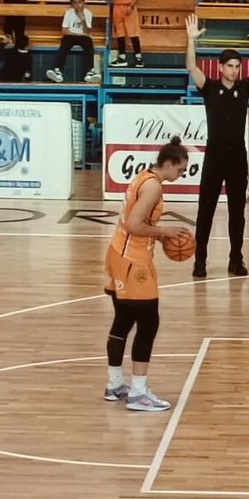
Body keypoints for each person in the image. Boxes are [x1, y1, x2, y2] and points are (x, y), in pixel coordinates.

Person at [102, 136, 192, 412]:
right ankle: (138, 392)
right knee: (148, 323)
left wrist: (159, 234)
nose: (181, 174)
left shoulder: (144, 177)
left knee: (123, 321)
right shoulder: (153, 187)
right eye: (180, 169)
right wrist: (164, 232)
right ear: (168, 163)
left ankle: (115, 384)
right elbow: (134, 224)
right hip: (133, 261)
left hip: (118, 254)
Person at [185, 15, 249, 278]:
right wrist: (191, 40)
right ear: (220, 67)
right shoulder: (209, 88)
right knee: (206, 212)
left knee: (238, 214)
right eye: (230, 66)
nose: (235, 70)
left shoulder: (246, 88)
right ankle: (199, 261)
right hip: (214, 159)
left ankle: (236, 260)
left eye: (237, 66)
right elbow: (191, 66)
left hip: (238, 159)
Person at [46, 0, 98, 83]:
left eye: (80, 2)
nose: (78, 5)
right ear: (72, 4)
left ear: (84, 2)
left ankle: (90, 72)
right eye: (75, 3)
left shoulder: (88, 13)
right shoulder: (69, 12)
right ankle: (57, 71)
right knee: (64, 43)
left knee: (89, 43)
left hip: (84, 36)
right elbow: (64, 31)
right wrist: (77, 33)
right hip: (71, 35)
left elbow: (87, 32)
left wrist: (83, 19)